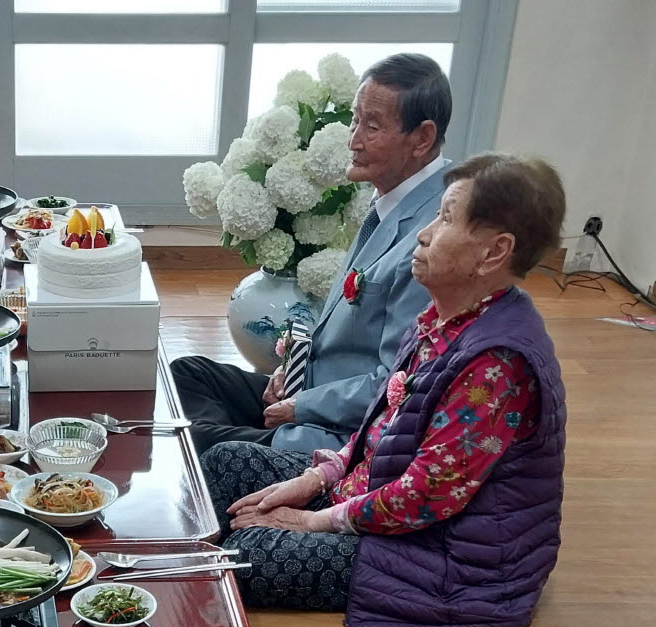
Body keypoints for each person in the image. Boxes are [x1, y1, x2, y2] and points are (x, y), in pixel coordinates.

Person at [202, 155, 567, 627]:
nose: (424, 234)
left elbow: (424, 496)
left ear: (493, 253)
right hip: (374, 492)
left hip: (447, 558)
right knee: (225, 462)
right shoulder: (442, 318)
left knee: (246, 554)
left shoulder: (496, 363)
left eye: (446, 218)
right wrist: (315, 478)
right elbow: (379, 426)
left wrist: (311, 522)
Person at [173, 52, 452, 458]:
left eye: (372, 126)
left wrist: (301, 406)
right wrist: (289, 371)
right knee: (186, 375)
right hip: (309, 390)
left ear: (422, 138)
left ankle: (247, 460)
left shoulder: (433, 238)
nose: (353, 140)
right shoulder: (392, 198)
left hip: (339, 432)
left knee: (195, 442)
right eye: (355, 120)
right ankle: (236, 453)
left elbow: (396, 383)